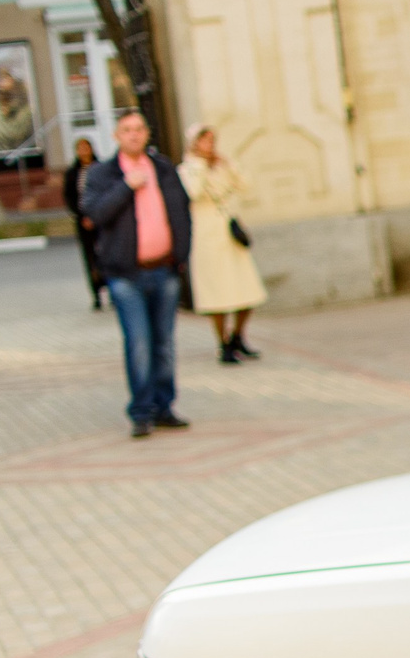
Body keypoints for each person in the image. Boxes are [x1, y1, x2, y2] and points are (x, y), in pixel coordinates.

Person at [80, 111, 192, 440]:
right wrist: (126, 187)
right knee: (139, 343)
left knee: (164, 343)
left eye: (140, 128)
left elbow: (182, 212)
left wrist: (181, 254)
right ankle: (141, 411)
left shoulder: (163, 169)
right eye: (127, 130)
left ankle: (164, 406)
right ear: (116, 136)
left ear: (147, 133)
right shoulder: (102, 173)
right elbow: (95, 213)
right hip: (125, 275)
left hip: (164, 269)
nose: (134, 134)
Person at [182, 126, 268, 362]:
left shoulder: (222, 166)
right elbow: (193, 192)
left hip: (230, 233)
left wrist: (230, 165)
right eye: (205, 141)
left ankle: (238, 336)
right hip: (207, 236)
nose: (210, 145)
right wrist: (200, 164)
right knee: (216, 294)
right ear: (195, 143)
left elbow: (246, 186)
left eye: (212, 140)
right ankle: (223, 343)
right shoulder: (188, 168)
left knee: (248, 289)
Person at [62, 135, 106, 310]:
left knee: (106, 254)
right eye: (80, 149)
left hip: (103, 219)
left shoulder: (101, 168)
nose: (84, 151)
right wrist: (82, 216)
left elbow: (106, 192)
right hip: (83, 222)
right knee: (90, 258)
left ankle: (111, 288)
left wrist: (99, 215)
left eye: (86, 148)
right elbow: (70, 197)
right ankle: (96, 294)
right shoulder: (73, 172)